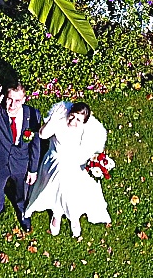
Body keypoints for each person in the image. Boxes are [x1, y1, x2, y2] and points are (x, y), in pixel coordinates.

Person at [26, 99, 110, 238]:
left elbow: (90, 151)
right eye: (72, 115)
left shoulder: (86, 131)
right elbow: (42, 135)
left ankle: (73, 216)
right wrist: (51, 121)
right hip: (55, 161)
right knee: (59, 180)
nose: (73, 120)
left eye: (78, 119)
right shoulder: (59, 121)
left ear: (84, 122)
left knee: (70, 186)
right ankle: (57, 214)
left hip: (74, 163)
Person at [0, 83, 43, 234]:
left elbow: (35, 145)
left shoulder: (33, 115)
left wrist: (33, 169)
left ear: (24, 99)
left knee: (21, 190)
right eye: (10, 99)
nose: (12, 104)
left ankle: (22, 210)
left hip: (21, 163)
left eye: (17, 101)